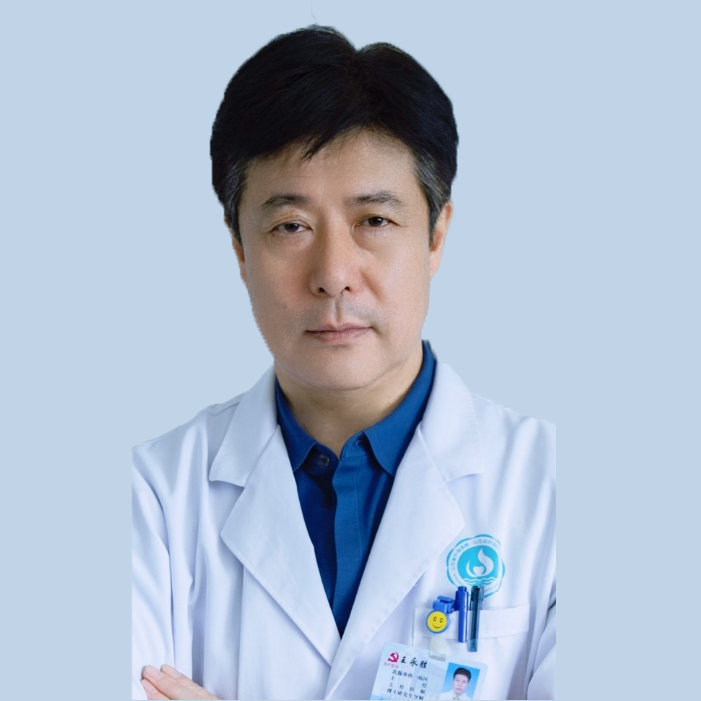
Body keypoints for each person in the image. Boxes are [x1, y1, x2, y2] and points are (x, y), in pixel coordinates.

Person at [133, 25, 555, 701]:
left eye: (374, 221)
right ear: (239, 248)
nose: (333, 274)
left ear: (436, 234)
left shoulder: (555, 489)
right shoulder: (152, 495)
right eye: (290, 226)